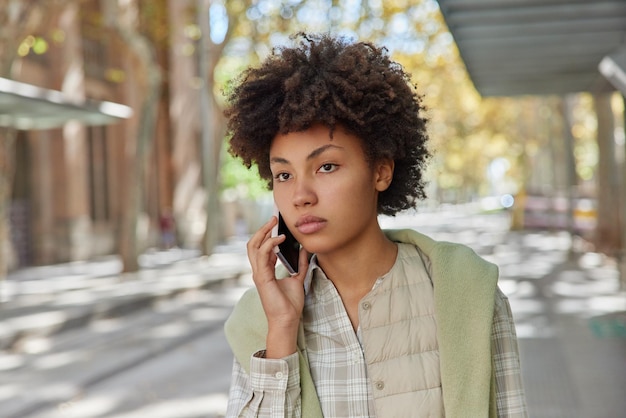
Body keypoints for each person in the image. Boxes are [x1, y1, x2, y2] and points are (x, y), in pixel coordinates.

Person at [223, 32, 527, 418]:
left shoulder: (468, 294)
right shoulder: (260, 318)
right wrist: (282, 328)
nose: (300, 195)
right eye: (283, 175)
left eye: (326, 166)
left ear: (381, 171)